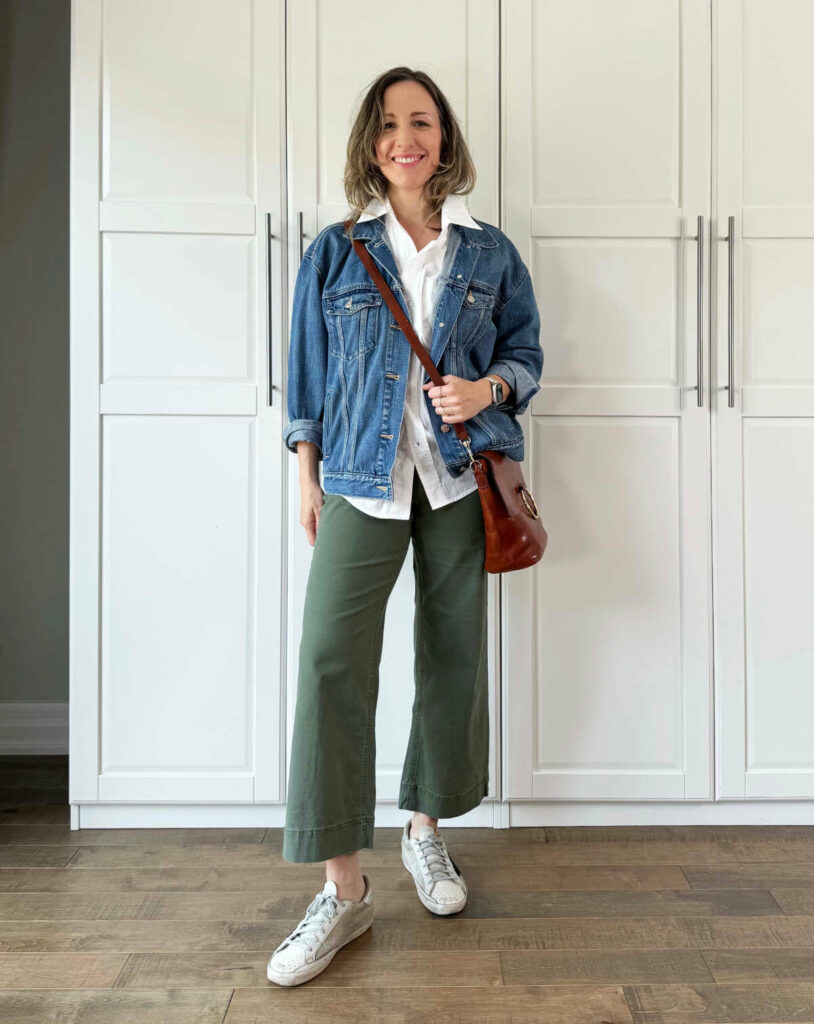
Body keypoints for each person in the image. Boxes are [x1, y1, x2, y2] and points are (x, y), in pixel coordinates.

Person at [267, 66, 543, 987]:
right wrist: (307, 477)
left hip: (460, 482)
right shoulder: (336, 251)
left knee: (451, 654)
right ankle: (344, 894)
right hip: (357, 477)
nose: (404, 138)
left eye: (420, 121)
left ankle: (425, 831)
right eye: (388, 124)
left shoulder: (489, 250)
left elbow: (526, 354)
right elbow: (303, 376)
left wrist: (487, 388)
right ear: (371, 141)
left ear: (444, 137)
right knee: (329, 661)